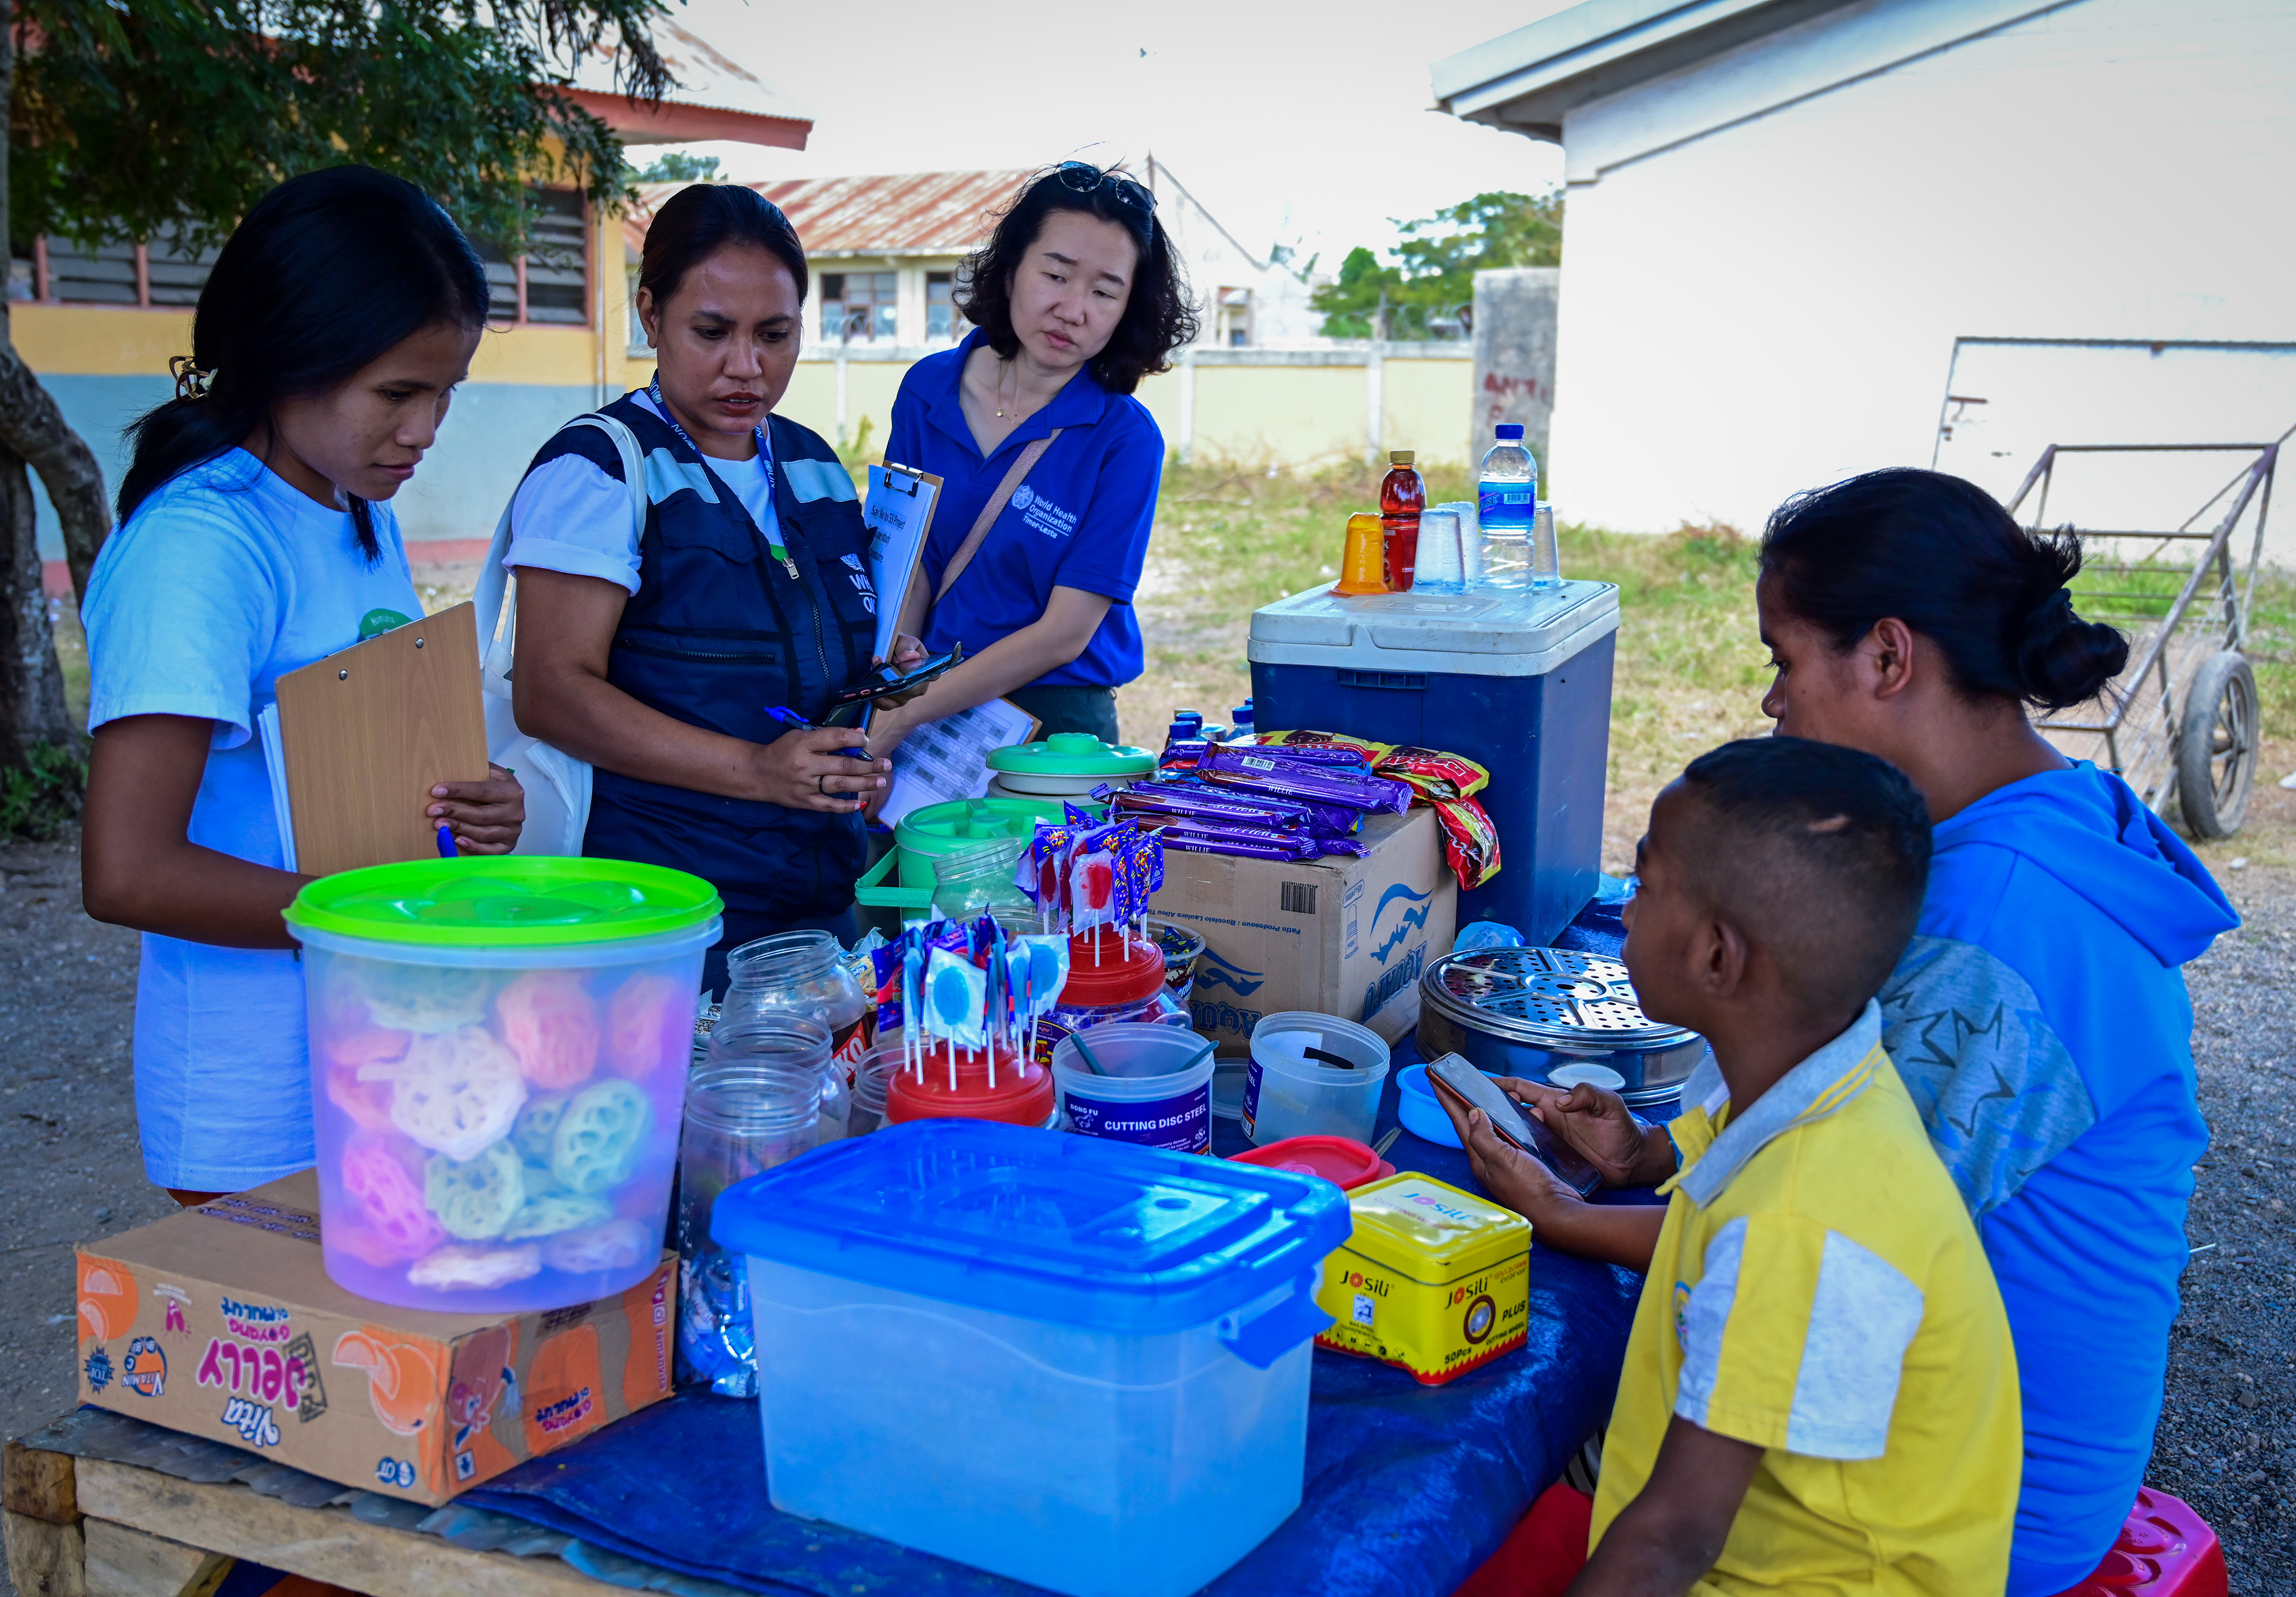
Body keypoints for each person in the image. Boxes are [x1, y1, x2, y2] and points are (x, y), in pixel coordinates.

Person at [1457, 469, 2236, 1596]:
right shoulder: (2027, 820)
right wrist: (1654, 1153)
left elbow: (1817, 1243)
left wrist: (1566, 1215)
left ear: (1886, 655)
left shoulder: (1997, 922)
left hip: (1959, 1499)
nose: (1772, 700)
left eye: (1782, 659)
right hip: (1921, 1418)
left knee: (1496, 1485)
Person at [1446, 737, 2020, 1596]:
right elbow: (1722, 1218)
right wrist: (1603, 1181)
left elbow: (1674, 1535)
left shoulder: (1802, 1225)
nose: (1625, 911)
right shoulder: (1830, 1085)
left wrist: (1563, 1211)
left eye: (1643, 887)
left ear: (1718, 957)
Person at [80, 166, 525, 1206]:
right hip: (256, 1088)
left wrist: (474, 804)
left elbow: (361, 767)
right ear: (289, 355)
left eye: (446, 392)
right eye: (397, 393)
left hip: (379, 1049)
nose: (426, 429)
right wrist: (376, 918)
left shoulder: (356, 509)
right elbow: (128, 870)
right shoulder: (202, 545)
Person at [504, 184, 917, 993]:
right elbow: (550, 691)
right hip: (665, 917)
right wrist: (758, 769)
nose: (746, 366)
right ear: (650, 315)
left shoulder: (812, 463)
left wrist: (875, 682)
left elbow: (808, 649)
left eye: (775, 334)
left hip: (818, 904)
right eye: (712, 331)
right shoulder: (600, 467)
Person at [872, 161, 1198, 752]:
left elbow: (1063, 634)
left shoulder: (1125, 440)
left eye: (1104, 292)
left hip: (1055, 726)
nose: (1073, 309)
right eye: (1056, 275)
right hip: (922, 699)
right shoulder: (926, 391)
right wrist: (899, 662)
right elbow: (909, 557)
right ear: (1011, 270)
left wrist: (906, 716)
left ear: (1129, 309)